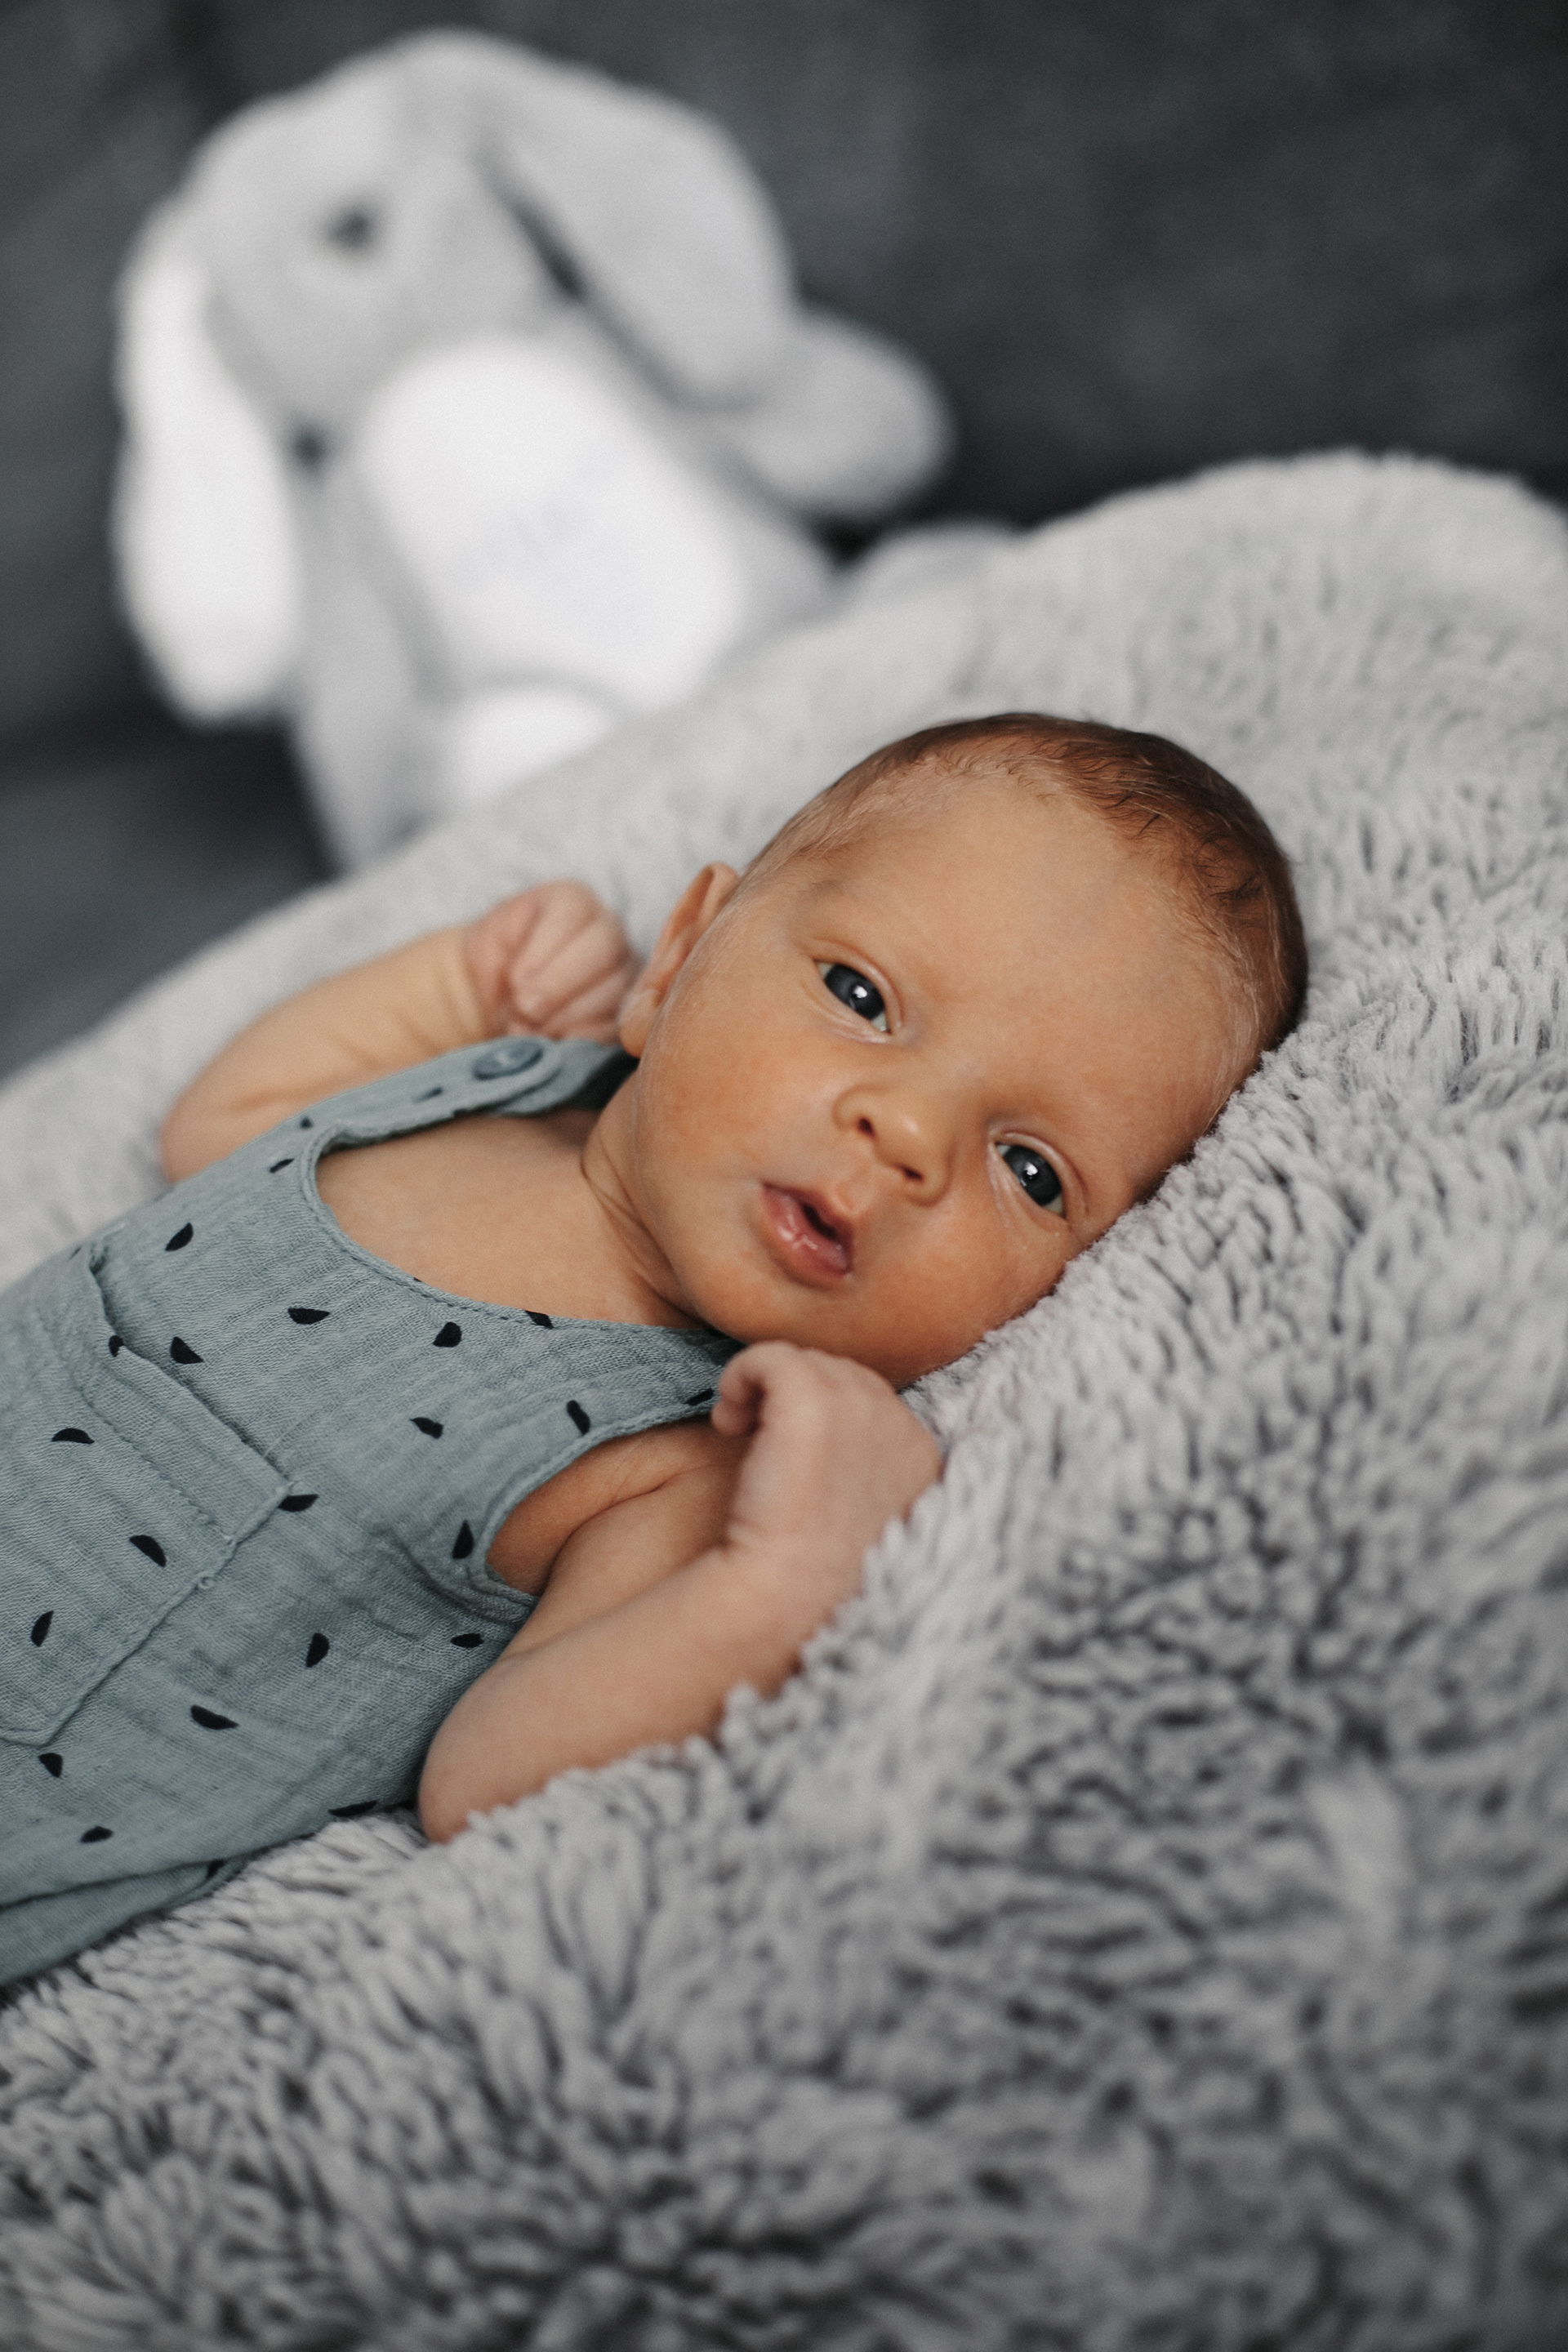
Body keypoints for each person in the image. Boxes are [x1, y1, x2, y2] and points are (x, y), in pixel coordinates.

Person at [0, 714, 1307, 1983]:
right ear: (678, 959)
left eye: (1032, 1171)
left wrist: (781, 1579)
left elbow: (485, 1775)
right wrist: (455, 984)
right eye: (861, 996)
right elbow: (223, 1129)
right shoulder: (489, 1085)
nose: (910, 1133)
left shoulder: (684, 1452)